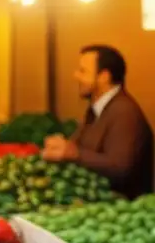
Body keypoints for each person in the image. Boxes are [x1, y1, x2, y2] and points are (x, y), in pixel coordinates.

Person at [43, 45, 154, 198]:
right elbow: (78, 146)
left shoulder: (124, 112)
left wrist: (74, 154)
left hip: (121, 210)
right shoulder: (96, 109)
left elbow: (120, 168)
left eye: (83, 71)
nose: (75, 76)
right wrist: (61, 148)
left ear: (104, 77)